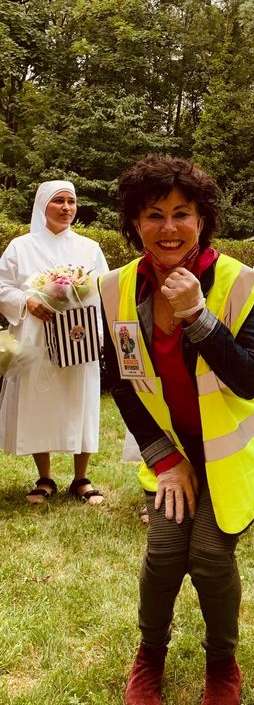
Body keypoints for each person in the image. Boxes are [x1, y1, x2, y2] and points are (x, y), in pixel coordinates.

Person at [99, 156, 254, 705]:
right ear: (134, 224)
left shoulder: (237, 283)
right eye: (153, 215)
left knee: (206, 555)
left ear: (203, 220)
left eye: (182, 213)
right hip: (172, 455)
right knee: (162, 554)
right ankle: (148, 658)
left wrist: (198, 316)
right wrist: (164, 459)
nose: (168, 227)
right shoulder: (117, 290)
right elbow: (122, 384)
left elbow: (251, 378)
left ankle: (222, 666)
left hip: (233, 454)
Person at [0, 180, 108, 504]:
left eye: (71, 201)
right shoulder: (21, 247)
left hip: (80, 338)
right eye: (58, 201)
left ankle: (81, 478)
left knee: (81, 399)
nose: (66, 208)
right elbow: (2, 286)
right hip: (37, 337)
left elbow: (104, 291)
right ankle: (45, 478)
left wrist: (100, 334)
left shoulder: (90, 248)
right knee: (38, 401)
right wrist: (25, 301)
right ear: (42, 206)